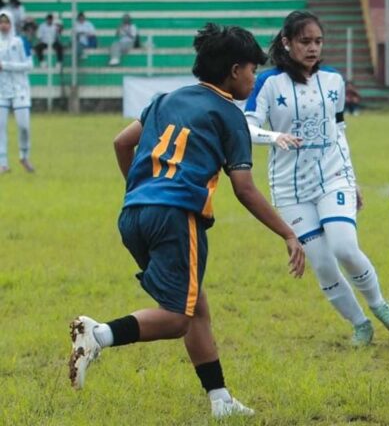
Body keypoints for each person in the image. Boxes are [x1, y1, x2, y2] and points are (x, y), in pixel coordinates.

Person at [68, 23, 306, 419]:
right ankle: (99, 335)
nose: (255, 77)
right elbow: (244, 189)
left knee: (196, 308)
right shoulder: (230, 115)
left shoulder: (166, 99)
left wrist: (140, 190)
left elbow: (121, 142)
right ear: (233, 71)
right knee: (178, 317)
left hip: (134, 215)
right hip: (177, 217)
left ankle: (220, 399)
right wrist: (288, 233)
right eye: (252, 70)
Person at [244, 11, 389, 346]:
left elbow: (339, 131)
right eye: (305, 41)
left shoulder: (333, 80)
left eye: (318, 41)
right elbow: (247, 126)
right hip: (290, 188)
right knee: (321, 262)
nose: (313, 48)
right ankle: (360, 324)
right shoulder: (268, 83)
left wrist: (353, 178)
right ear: (287, 43)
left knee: (345, 247)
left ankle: (378, 304)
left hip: (334, 178)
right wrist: (275, 138)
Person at [0, 11, 33, 174]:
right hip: (2, 91)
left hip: (20, 90)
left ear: (11, 23)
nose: (3, 25)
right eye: (1, 22)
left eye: (6, 22)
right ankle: (3, 162)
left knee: (24, 127)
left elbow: (29, 65)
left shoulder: (20, 42)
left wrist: (6, 65)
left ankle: (24, 155)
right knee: (0, 127)